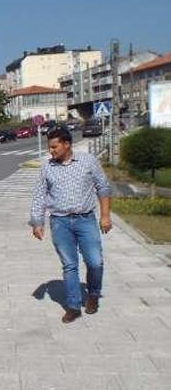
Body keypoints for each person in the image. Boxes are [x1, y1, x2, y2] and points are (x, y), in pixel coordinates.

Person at [30, 126, 112, 324]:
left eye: (54, 147)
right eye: (50, 147)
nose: (51, 151)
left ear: (67, 144)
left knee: (95, 262)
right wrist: (37, 222)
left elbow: (103, 187)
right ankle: (74, 306)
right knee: (69, 265)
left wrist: (105, 215)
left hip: (86, 220)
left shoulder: (88, 161)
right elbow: (39, 195)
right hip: (60, 222)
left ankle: (93, 294)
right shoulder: (47, 167)